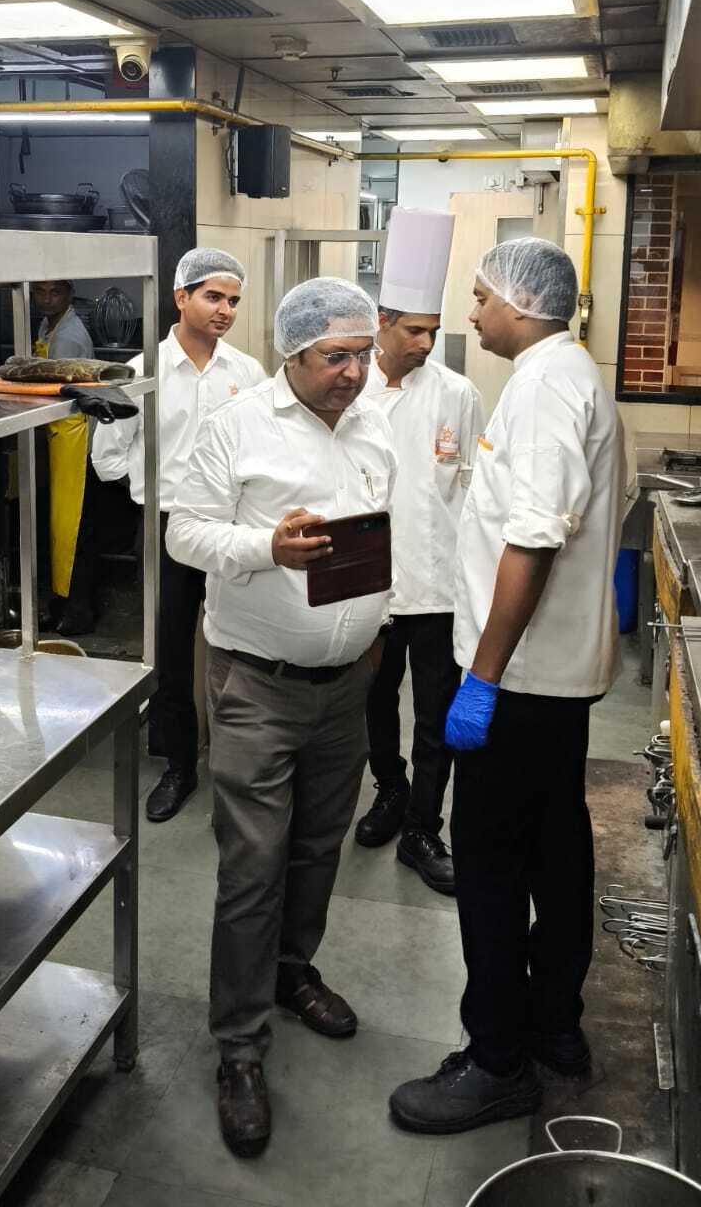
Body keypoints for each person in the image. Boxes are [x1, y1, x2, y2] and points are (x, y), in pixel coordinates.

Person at [389, 238, 626, 1135]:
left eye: (482, 296)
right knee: (557, 850)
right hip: (553, 678)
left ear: (521, 303)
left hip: (521, 680)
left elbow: (533, 537)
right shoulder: (566, 376)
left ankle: (496, 1062)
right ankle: (554, 1026)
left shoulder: (543, 387)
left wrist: (480, 679)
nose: (473, 312)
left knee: (490, 865)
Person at [167, 276, 397, 1160]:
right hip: (256, 684)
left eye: (363, 355)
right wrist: (269, 547)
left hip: (347, 687)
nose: (354, 373)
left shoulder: (372, 425)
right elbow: (185, 534)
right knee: (253, 865)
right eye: (337, 357)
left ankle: (293, 973)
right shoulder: (238, 426)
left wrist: (374, 633)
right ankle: (238, 1046)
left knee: (317, 846)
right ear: (293, 353)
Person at [92, 248, 265, 823]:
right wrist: (155, 493)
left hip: (230, 526)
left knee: (239, 642)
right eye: (213, 297)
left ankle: (240, 762)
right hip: (166, 526)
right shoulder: (140, 372)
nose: (225, 310)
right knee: (170, 649)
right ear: (181, 297)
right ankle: (179, 765)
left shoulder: (247, 374)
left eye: (233, 300)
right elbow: (107, 458)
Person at [355, 208, 484, 894]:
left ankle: (424, 828)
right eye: (414, 330)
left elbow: (471, 491)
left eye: (433, 331)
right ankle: (390, 791)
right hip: (369, 585)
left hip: (437, 584)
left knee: (435, 713)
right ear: (382, 322)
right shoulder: (352, 392)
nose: (427, 343)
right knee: (376, 703)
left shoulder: (458, 394)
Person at [30, 280, 96, 637]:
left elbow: (59, 390)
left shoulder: (69, 336)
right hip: (57, 435)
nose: (47, 299)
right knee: (59, 530)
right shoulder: (48, 326)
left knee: (74, 531)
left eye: (54, 292)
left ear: (69, 294)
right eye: (40, 292)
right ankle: (60, 604)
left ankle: (78, 612)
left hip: (73, 438)